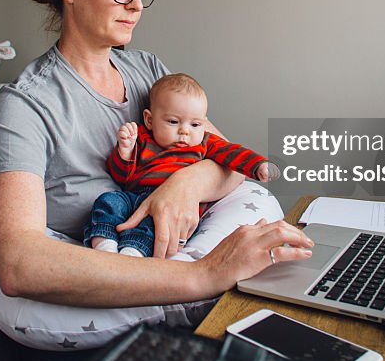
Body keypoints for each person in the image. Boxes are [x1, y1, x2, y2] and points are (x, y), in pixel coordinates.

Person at [0, 0, 313, 359]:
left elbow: (227, 162)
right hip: (103, 250)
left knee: (259, 201)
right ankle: (193, 295)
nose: (135, 4)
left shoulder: (148, 71)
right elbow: (18, 264)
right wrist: (203, 276)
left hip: (173, 245)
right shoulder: (24, 104)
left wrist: (181, 186)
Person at [86, 72, 282, 257]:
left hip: (175, 207)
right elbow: (121, 177)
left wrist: (258, 165)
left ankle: (132, 252)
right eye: (173, 121)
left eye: (195, 124)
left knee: (154, 225)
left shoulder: (204, 143)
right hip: (135, 196)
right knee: (108, 201)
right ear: (149, 120)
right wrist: (125, 151)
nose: (185, 131)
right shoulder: (142, 138)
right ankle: (105, 245)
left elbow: (233, 154)